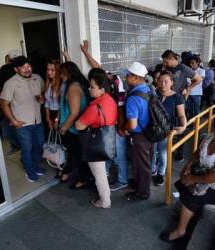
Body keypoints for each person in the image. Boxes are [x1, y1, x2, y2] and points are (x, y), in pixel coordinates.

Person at [160, 114, 215, 243]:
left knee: (190, 197)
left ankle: (180, 231)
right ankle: (189, 213)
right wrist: (187, 166)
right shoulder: (209, 137)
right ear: (213, 128)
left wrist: (193, 179)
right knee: (182, 184)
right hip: (206, 177)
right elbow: (198, 152)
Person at [80, 40, 129, 191]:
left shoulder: (115, 81)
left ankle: (123, 179)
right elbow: (96, 66)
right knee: (105, 149)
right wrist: (86, 52)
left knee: (119, 153)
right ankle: (106, 174)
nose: (90, 87)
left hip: (115, 124)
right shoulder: (101, 77)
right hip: (104, 125)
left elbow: (121, 106)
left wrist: (120, 127)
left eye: (92, 85)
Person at [75, 69, 117, 208]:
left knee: (99, 175)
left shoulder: (94, 107)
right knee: (102, 171)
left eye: (92, 87)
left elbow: (79, 126)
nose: (89, 89)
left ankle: (105, 201)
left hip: (96, 144)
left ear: (102, 90)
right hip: (108, 139)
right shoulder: (110, 100)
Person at [0, 56, 45, 182]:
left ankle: (35, 165)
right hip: (22, 124)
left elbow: (43, 92)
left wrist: (41, 98)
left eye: (28, 66)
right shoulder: (11, 83)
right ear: (16, 69)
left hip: (38, 121)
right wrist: (13, 121)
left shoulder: (37, 78)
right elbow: (3, 103)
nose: (27, 69)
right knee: (27, 148)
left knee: (39, 145)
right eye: (23, 67)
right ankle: (29, 171)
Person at [122, 62, 153, 200]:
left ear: (135, 78)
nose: (125, 77)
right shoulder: (147, 89)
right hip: (149, 132)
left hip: (139, 135)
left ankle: (143, 192)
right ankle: (139, 184)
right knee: (143, 162)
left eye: (128, 75)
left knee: (142, 165)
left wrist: (124, 128)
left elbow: (132, 125)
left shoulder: (133, 98)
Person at [59, 61, 92, 187]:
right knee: (74, 153)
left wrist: (64, 127)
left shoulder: (73, 87)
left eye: (62, 74)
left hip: (73, 129)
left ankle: (83, 179)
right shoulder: (78, 84)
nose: (61, 76)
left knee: (78, 155)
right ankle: (70, 172)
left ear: (67, 74)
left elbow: (74, 112)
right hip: (75, 128)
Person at [152, 71, 187, 186]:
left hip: (167, 131)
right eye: (160, 81)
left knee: (163, 153)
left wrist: (183, 126)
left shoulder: (177, 97)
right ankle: (153, 170)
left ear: (172, 82)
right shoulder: (154, 94)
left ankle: (161, 174)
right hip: (152, 129)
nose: (163, 84)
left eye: (166, 81)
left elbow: (182, 115)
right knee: (152, 151)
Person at [0, 50, 23, 156]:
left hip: (8, 103)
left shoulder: (5, 68)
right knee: (20, 126)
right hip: (21, 104)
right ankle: (21, 146)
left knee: (7, 125)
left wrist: (0, 94)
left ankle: (17, 146)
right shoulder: (26, 69)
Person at [44, 60, 61, 132]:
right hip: (50, 114)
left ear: (58, 71)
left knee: (60, 139)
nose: (49, 72)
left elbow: (62, 106)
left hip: (59, 115)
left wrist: (57, 120)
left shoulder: (61, 85)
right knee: (51, 138)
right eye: (48, 69)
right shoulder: (48, 83)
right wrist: (48, 119)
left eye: (52, 70)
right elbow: (47, 102)